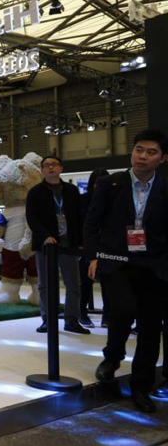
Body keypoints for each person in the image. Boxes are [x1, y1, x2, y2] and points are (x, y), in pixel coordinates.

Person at [85, 129, 168, 413]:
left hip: (154, 265)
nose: (142, 156)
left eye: (151, 152)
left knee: (150, 326)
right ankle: (112, 356)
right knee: (122, 309)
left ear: (163, 158)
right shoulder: (111, 183)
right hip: (116, 260)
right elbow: (92, 222)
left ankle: (141, 386)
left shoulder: (164, 187)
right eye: (138, 150)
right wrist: (93, 256)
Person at [26, 155, 89, 334]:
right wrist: (45, 236)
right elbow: (32, 218)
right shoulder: (35, 192)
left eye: (54, 164)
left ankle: (72, 320)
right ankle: (48, 319)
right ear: (42, 170)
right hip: (46, 246)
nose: (50, 168)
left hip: (69, 244)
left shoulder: (71, 190)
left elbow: (80, 217)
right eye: (46, 165)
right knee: (45, 285)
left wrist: (81, 242)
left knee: (73, 284)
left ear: (61, 168)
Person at [79, 168, 110, 328]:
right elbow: (80, 223)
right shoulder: (84, 200)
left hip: (107, 246)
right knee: (85, 282)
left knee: (108, 283)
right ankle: (82, 313)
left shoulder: (113, 199)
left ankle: (107, 315)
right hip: (88, 245)